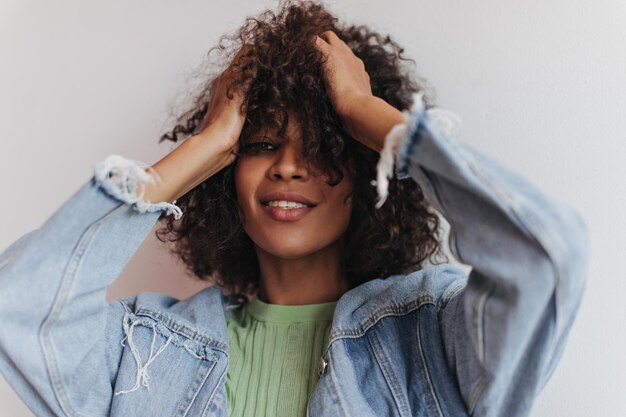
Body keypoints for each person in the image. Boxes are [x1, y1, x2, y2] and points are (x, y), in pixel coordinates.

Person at [0, 1, 589, 416]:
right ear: (226, 174)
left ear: (366, 173)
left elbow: (544, 255)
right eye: (259, 145)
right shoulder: (145, 349)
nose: (287, 166)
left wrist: (372, 118)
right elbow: (16, 305)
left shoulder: (437, 336)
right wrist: (205, 146)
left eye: (324, 146)